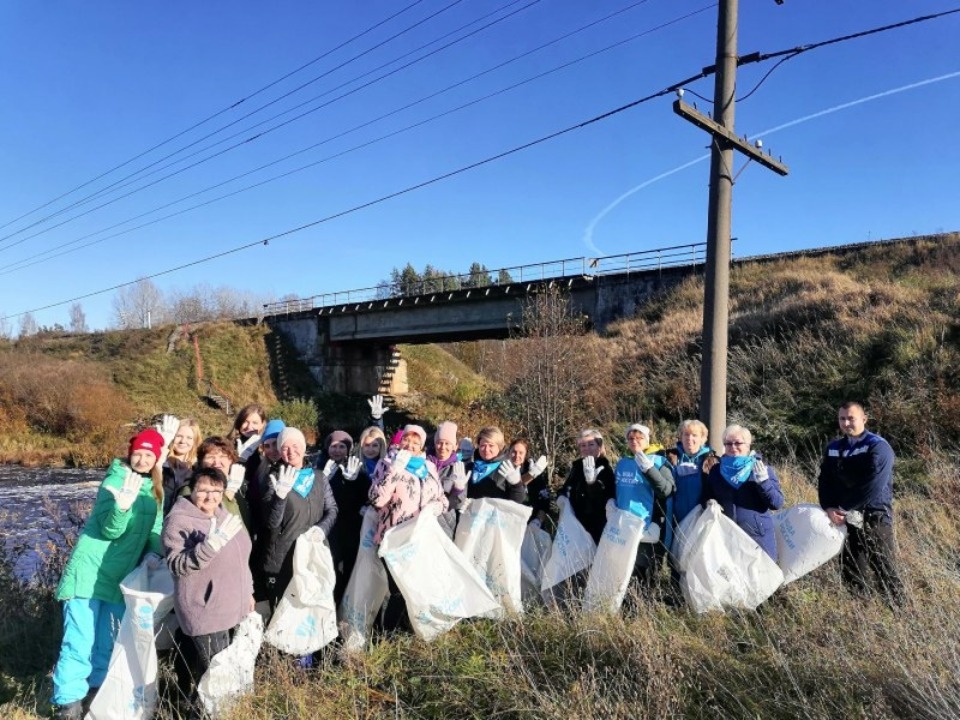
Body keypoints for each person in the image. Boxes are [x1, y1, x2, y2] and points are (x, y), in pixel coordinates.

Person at [51, 428, 167, 720]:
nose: (142, 460)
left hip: (120, 578)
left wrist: (153, 551)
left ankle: (95, 698)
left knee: (108, 641)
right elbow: (109, 530)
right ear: (130, 454)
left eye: (149, 455)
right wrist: (122, 507)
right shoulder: (115, 480)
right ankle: (68, 705)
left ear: (156, 459)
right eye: (138, 453)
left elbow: (155, 527)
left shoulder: (155, 488)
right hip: (89, 574)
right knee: (79, 641)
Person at [162, 467, 253, 713]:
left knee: (222, 671)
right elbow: (177, 565)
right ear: (192, 490)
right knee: (215, 676)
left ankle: (209, 709)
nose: (210, 496)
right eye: (203, 490)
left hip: (232, 607)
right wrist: (210, 546)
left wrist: (249, 591)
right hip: (205, 611)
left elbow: (242, 556)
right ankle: (203, 713)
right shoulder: (178, 520)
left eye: (216, 491)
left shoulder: (224, 515)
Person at [818, 402, 905, 607]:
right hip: (845, 518)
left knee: (883, 564)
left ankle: (899, 611)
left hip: (875, 515)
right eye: (842, 419)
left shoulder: (878, 446)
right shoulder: (834, 447)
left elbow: (873, 484)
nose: (846, 423)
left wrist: (844, 507)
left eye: (851, 418)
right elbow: (825, 480)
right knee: (851, 565)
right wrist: (828, 507)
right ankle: (860, 611)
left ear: (864, 419)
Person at [368, 424, 447, 631]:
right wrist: (395, 470)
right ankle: (387, 636)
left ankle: (410, 632)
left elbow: (443, 500)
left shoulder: (428, 467)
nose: (410, 445)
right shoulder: (386, 463)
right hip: (394, 538)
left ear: (422, 446)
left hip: (421, 538)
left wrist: (435, 508)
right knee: (398, 590)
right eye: (406, 440)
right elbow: (376, 500)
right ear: (400, 440)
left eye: (415, 442)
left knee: (416, 588)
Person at [261, 427, 338, 612]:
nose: (291, 451)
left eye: (295, 445)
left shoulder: (319, 477)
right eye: (285, 447)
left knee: (312, 608)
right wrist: (280, 497)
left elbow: (332, 509)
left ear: (303, 448)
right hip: (284, 555)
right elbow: (272, 523)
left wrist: (321, 529)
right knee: (284, 610)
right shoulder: (274, 479)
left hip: (313, 551)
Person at [702, 425, 784, 561]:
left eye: (738, 443)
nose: (733, 447)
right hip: (728, 537)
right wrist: (711, 503)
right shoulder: (716, 471)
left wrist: (764, 482)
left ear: (748, 445)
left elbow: (777, 503)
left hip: (758, 538)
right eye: (728, 443)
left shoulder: (761, 468)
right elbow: (708, 496)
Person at [612, 423, 675, 589]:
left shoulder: (659, 461)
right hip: (624, 526)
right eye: (631, 438)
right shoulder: (622, 462)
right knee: (625, 572)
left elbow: (667, 490)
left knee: (643, 573)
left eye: (639, 438)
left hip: (647, 527)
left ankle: (646, 602)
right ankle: (628, 603)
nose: (634, 441)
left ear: (647, 440)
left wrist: (649, 470)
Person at [558, 429, 616, 544]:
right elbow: (567, 487)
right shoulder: (577, 466)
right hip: (575, 523)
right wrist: (561, 497)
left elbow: (602, 497)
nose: (587, 448)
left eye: (591, 444)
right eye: (583, 445)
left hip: (595, 527)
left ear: (599, 446)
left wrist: (591, 483)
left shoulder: (605, 468)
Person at [464, 426, 526, 505]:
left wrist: (517, 485)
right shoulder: (470, 467)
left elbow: (518, 502)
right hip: (468, 512)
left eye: (491, 445)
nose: (486, 449)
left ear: (499, 447)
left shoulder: (507, 468)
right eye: (483, 445)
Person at [508, 438, 553, 529]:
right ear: (509, 452)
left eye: (521, 453)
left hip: (530, 522)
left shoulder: (533, 469)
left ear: (526, 455)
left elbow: (544, 499)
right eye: (514, 452)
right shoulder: (503, 468)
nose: (517, 456)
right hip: (508, 521)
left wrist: (538, 520)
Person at [161, 417, 202, 516]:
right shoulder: (162, 461)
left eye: (189, 438)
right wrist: (163, 446)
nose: (183, 441)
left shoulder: (198, 469)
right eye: (179, 436)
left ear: (195, 441)